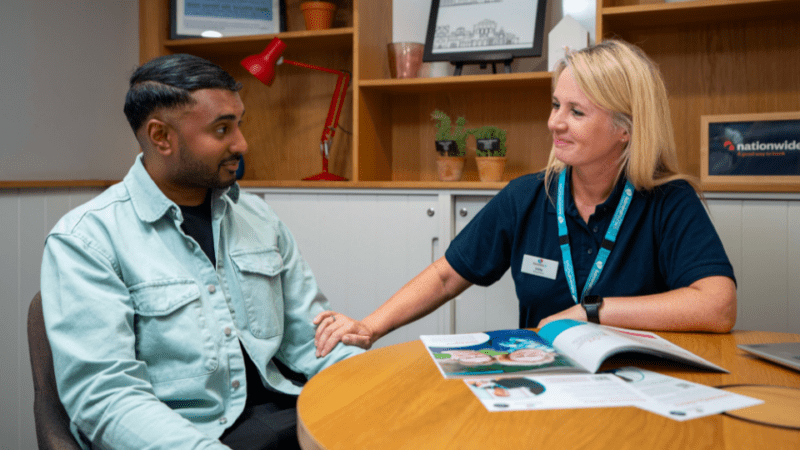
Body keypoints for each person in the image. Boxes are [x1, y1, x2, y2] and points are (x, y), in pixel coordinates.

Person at [314, 39, 737, 357]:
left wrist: (592, 311)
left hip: (638, 381)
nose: (554, 122)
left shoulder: (669, 200)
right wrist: (368, 327)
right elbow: (446, 276)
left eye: (577, 111)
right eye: (556, 105)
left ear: (625, 128)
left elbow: (717, 306)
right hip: (544, 378)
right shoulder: (527, 196)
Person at [40, 54, 362, 450]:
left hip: (289, 417)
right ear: (162, 137)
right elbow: (108, 399)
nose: (241, 144)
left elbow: (314, 338)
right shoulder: (86, 240)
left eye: (239, 124)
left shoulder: (258, 217)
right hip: (189, 436)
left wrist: (368, 392)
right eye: (222, 129)